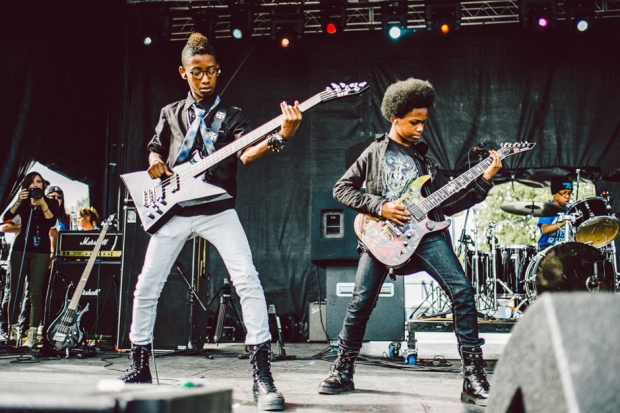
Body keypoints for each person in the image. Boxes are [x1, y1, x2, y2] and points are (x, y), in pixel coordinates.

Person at [119, 32, 302, 412]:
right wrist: (154, 161)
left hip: (218, 209)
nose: (205, 79)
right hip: (173, 211)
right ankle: (139, 367)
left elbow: (247, 154)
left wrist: (279, 137)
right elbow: (156, 145)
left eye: (212, 72)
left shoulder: (232, 116)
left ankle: (262, 376)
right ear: (183, 72)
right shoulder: (170, 112)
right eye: (197, 72)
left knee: (248, 282)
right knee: (146, 286)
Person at [317, 78, 501, 407]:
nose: (420, 129)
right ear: (395, 118)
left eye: (423, 122)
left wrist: (484, 181)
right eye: (414, 122)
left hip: (427, 236)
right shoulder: (374, 152)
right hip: (382, 236)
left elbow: (448, 204)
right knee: (361, 302)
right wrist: (380, 206)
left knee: (461, 290)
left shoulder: (426, 162)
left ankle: (473, 377)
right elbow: (341, 189)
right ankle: (342, 370)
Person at [1, 172, 59, 348]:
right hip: (20, 248)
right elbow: (5, 218)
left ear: (43, 185)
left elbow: (51, 221)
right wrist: (19, 200)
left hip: (40, 250)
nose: (36, 185)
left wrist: (42, 204)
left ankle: (32, 334)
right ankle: (12, 331)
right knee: (15, 291)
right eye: (32, 183)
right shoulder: (24, 202)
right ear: (27, 186)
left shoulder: (50, 202)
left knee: (35, 292)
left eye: (39, 182)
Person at [537, 176, 573, 248]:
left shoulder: (569, 210)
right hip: (547, 248)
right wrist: (564, 222)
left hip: (564, 249)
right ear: (554, 194)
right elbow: (545, 230)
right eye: (564, 193)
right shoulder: (548, 208)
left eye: (569, 193)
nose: (567, 196)